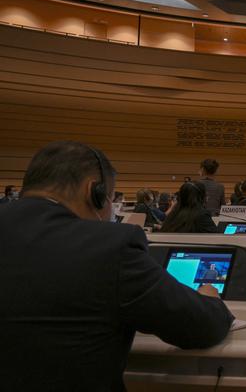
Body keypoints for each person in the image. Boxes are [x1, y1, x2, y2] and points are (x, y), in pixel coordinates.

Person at [0, 141, 233, 391]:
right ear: (94, 191)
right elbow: (198, 326)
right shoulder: (110, 245)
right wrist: (211, 300)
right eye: (110, 197)